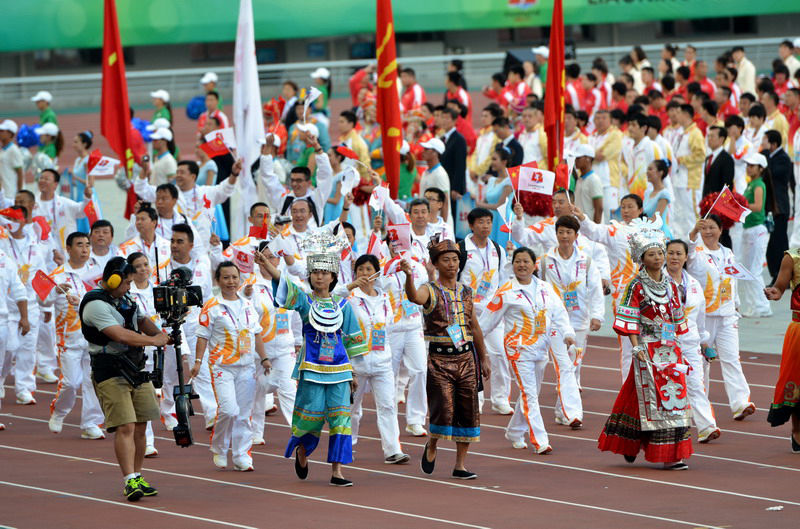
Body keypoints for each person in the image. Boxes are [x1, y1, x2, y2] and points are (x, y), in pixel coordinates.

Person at [258, 229, 368, 487]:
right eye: (315, 272)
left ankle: (337, 471)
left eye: (324, 272)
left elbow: (351, 343)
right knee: (311, 417)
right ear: (310, 276)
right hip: (312, 369)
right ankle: (302, 451)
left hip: (339, 370)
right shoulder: (306, 302)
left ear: (332, 277)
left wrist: (353, 373)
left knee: (341, 420)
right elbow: (283, 283)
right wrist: (266, 263)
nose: (320, 276)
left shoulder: (343, 306)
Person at [597, 226, 693, 470]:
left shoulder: (671, 285)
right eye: (651, 254)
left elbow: (676, 317)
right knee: (651, 398)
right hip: (647, 348)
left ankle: (663, 450)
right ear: (642, 259)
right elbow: (628, 320)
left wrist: (679, 344)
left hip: (670, 349)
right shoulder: (636, 286)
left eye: (659, 253)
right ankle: (657, 451)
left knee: (673, 396)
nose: (658, 258)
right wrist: (636, 347)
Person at [78, 257, 169, 501]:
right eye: (126, 282)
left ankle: (137, 475)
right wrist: (154, 341)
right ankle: (129, 480)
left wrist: (162, 334)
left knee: (141, 424)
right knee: (125, 425)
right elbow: (120, 335)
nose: (130, 287)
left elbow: (141, 321)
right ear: (114, 279)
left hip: (136, 368)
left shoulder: (125, 299)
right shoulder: (95, 304)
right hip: (110, 371)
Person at [401, 237, 491, 480]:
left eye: (455, 259)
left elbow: (475, 327)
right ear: (436, 264)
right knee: (443, 409)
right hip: (439, 360)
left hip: (466, 358)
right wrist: (409, 276)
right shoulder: (428, 289)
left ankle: (460, 464)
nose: (451, 264)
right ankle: (432, 442)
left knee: (468, 410)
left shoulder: (466, 291)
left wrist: (483, 358)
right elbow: (413, 298)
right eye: (446, 260)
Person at [480, 247, 576, 453]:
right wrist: (473, 344)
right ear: (512, 265)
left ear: (534, 265)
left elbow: (559, 313)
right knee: (529, 395)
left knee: (531, 394)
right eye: (518, 261)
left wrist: (568, 333)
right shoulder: (506, 292)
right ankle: (541, 441)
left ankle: (515, 431)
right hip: (518, 350)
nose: (522, 265)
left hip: (541, 348)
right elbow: (487, 322)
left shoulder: (545, 288)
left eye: (526, 261)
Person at [196, 261, 269, 471]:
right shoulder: (212, 306)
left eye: (234, 277)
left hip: (246, 366)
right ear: (218, 281)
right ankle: (219, 447)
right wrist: (198, 361)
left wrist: (264, 358)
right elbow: (202, 336)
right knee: (229, 410)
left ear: (240, 279)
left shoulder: (247, 305)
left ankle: (241, 455)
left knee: (244, 414)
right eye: (226, 277)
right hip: (222, 367)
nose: (231, 281)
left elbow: (256, 333)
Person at [687, 217, 756, 419]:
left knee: (732, 359)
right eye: (705, 228)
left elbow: (732, 280)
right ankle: (699, 408)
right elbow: (688, 250)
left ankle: (740, 403)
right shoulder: (697, 253)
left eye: (712, 228)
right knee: (702, 364)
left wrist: (736, 305)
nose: (708, 232)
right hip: (704, 317)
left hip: (727, 316)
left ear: (721, 230)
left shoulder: (728, 253)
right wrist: (693, 233)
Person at [345, 254, 409, 464]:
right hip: (357, 362)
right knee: (353, 408)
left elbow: (387, 328)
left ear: (376, 273)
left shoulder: (384, 299)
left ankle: (393, 450)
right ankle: (347, 444)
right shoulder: (349, 299)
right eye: (361, 269)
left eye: (369, 269)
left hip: (382, 361)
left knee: (388, 406)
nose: (365, 273)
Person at [538, 215, 604, 402]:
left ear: (576, 235)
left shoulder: (586, 261)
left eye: (568, 232)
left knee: (576, 360)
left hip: (579, 318)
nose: (564, 236)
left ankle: (571, 391)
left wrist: (597, 315)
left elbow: (596, 289)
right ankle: (566, 405)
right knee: (563, 363)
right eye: (561, 232)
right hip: (555, 320)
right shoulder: (545, 260)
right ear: (556, 234)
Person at [47, 232, 105, 440]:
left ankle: (90, 423)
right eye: (79, 245)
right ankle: (59, 411)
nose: (84, 249)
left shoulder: (97, 272)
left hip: (93, 337)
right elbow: (43, 302)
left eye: (87, 245)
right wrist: (55, 292)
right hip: (68, 339)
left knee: (94, 382)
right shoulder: (58, 275)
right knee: (71, 382)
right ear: (68, 248)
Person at [665, 240, 720, 443]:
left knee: (696, 383)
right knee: (668, 386)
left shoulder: (694, 285)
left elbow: (700, 318)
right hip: (665, 343)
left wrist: (705, 343)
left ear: (686, 257)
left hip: (690, 341)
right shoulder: (658, 282)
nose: (675, 257)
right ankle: (669, 429)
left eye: (679, 253)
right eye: (671, 253)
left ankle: (707, 426)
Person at [457, 208, 511, 415]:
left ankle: (500, 399)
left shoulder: (498, 249)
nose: (485, 225)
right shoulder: (461, 248)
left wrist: (504, 306)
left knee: (499, 355)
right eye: (480, 222)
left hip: (492, 312)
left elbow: (504, 280)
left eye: (489, 221)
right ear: (471, 225)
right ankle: (475, 399)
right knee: (470, 357)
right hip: (467, 312)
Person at [378, 233, 429, 436]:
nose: (397, 247)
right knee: (388, 375)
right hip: (391, 329)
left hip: (413, 326)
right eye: (393, 244)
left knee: (420, 370)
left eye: (401, 243)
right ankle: (388, 418)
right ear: (388, 246)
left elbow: (425, 293)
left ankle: (415, 419)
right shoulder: (382, 268)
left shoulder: (418, 267)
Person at [1, 203, 48, 404]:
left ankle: (24, 388)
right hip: (6, 307)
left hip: (30, 305)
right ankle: (1, 380)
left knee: (28, 348)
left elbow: (42, 276)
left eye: (14, 219)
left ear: (23, 221)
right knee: (8, 350)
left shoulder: (36, 246)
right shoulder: (2, 242)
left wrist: (46, 306)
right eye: (7, 219)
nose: (10, 223)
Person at [764, 247, 800, 452]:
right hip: (799, 329)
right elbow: (779, 288)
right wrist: (774, 292)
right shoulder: (792, 258)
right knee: (796, 384)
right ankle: (797, 432)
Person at [125, 252, 160, 456]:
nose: (143, 269)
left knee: (155, 394)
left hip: (158, 349)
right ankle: (147, 442)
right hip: (137, 352)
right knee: (143, 396)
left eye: (146, 264)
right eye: (138, 266)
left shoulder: (159, 291)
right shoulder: (127, 294)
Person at [739, 152, 774, 318]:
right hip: (748, 229)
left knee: (754, 270)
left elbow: (758, 206)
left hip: (756, 230)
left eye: (752, 166)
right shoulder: (751, 184)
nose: (748, 168)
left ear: (760, 169)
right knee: (747, 270)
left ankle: (762, 306)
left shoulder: (759, 184)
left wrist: (740, 204)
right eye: (747, 165)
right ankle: (753, 305)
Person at [764, 129, 793, 284]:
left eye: (766, 141)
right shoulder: (768, 156)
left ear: (773, 144)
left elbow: (773, 173)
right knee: (771, 245)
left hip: (779, 208)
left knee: (779, 243)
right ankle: (776, 274)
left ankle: (783, 278)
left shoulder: (783, 159)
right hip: (770, 208)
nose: (763, 144)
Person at [673, 104, 706, 238]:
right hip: (679, 179)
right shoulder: (682, 133)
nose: (676, 115)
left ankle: (696, 243)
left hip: (690, 181)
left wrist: (682, 160)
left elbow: (700, 155)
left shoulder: (695, 133)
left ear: (686, 115)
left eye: (678, 112)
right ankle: (681, 241)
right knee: (679, 213)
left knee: (691, 214)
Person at [117, 205, 171, 283]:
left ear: (154, 222)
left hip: (163, 291)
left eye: (142, 219)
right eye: (137, 219)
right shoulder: (126, 248)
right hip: (137, 292)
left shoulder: (168, 246)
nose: (138, 222)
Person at [474, 148, 514, 247]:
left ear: (504, 162)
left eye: (495, 159)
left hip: (504, 220)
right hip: (489, 220)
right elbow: (486, 200)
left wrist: (479, 204)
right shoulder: (491, 180)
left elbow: (500, 205)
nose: (492, 162)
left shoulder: (509, 181)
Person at [590, 110, 623, 221]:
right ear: (594, 121)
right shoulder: (591, 137)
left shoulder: (616, 135)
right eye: (598, 118)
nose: (600, 121)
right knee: (594, 215)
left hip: (609, 182)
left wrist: (590, 156)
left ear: (610, 120)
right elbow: (587, 156)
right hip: (593, 181)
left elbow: (602, 155)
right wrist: (594, 155)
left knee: (611, 216)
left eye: (604, 118)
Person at [573, 144, 604, 223]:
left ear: (588, 159)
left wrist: (595, 230)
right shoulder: (580, 179)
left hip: (590, 228)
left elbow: (599, 208)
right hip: (581, 227)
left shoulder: (594, 180)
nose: (575, 160)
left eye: (578, 158)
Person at [643, 160, 673, 224]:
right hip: (645, 229)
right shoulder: (647, 193)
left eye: (650, 169)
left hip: (658, 232)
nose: (647, 172)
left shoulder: (664, 194)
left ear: (660, 172)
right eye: (647, 169)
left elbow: (656, 220)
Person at [0, 119, 24, 197]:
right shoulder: (3, 149)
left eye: (2, 131)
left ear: (10, 134)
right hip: (3, 193)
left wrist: (19, 194)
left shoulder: (14, 150)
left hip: (10, 195)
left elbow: (20, 173)